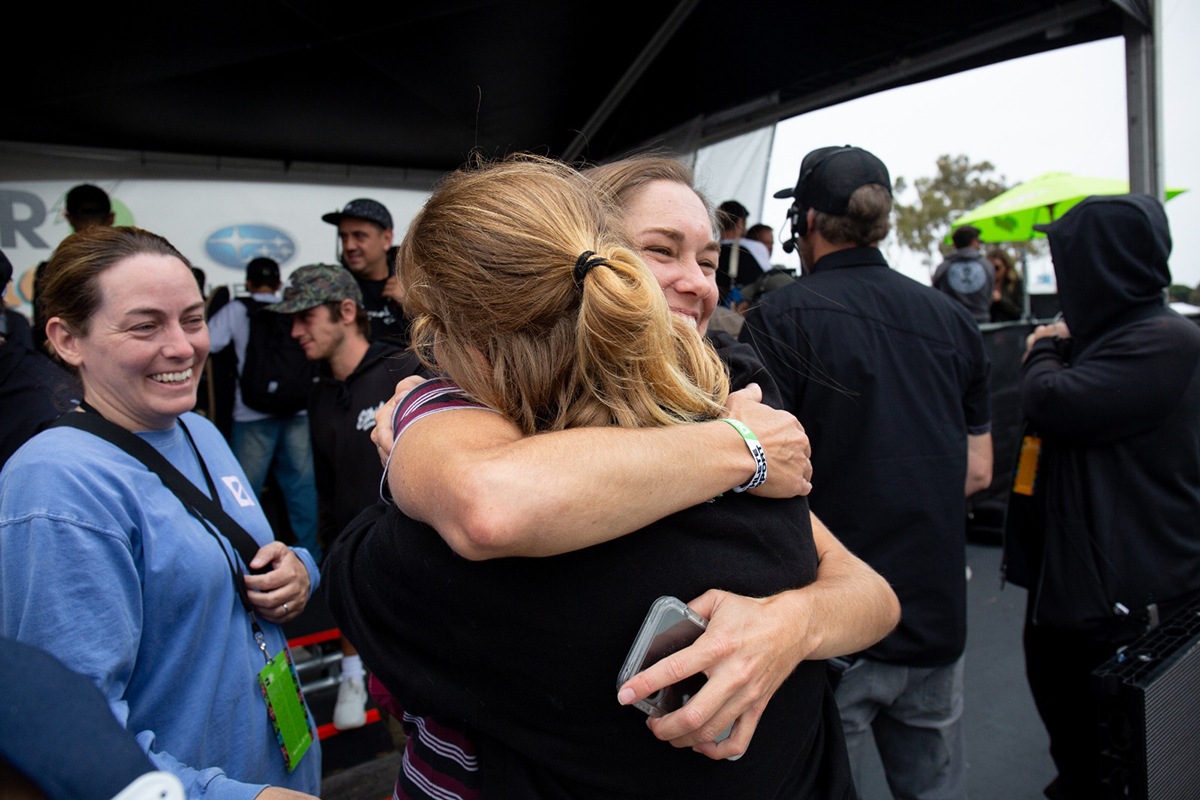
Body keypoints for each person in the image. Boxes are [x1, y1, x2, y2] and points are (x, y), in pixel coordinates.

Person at [326, 155, 899, 799]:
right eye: (660, 250)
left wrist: (789, 625)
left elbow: (872, 593)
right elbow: (489, 504)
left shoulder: (734, 411)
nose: (697, 283)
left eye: (709, 261)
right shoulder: (737, 440)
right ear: (570, 256)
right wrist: (743, 449)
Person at [0, 226, 321, 799]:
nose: (182, 347)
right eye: (145, 326)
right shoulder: (56, 486)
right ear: (68, 339)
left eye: (193, 320)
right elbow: (78, 741)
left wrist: (297, 570)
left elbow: (231, 558)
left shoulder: (196, 429)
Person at [741, 145, 993, 800]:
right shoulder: (954, 321)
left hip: (835, 629)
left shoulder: (781, 319)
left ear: (808, 224)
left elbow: (761, 472)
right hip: (936, 617)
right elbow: (979, 471)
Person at [1004, 195, 1200, 800]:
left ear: (1098, 263)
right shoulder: (1110, 337)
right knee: (1080, 752)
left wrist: (1042, 347)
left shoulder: (1164, 337)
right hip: (1078, 597)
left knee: (1118, 767)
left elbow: (1051, 401)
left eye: (1066, 258)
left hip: (1122, 612)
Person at [275, 263, 423, 731]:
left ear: (344, 311)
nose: (296, 330)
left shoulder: (405, 371)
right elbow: (327, 488)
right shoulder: (318, 394)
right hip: (360, 581)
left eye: (305, 316)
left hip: (414, 584)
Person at [207, 257, 320, 559]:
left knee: (244, 492)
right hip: (296, 410)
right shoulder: (291, 311)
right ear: (279, 283)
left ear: (247, 283)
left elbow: (210, 342)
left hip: (251, 414)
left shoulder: (238, 309)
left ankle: (247, 558)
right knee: (301, 490)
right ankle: (311, 558)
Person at [31, 184, 116, 354]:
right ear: (111, 218)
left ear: (68, 217)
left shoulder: (49, 272)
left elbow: (43, 335)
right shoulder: (137, 265)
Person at [321, 199, 410, 345]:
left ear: (386, 239)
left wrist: (413, 304)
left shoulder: (414, 282)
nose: (349, 246)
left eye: (359, 236)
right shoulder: (331, 288)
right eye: (344, 237)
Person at [932, 223, 994, 323]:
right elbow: (989, 295)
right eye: (979, 242)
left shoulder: (943, 267)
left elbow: (936, 296)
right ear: (973, 242)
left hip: (951, 323)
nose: (979, 245)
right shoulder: (987, 265)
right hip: (981, 326)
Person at [987, 248, 1024, 321]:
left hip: (1010, 327)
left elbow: (1020, 311)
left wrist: (1000, 300)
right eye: (989, 268)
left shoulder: (1015, 284)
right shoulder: (984, 284)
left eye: (996, 268)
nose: (993, 271)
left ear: (1006, 267)